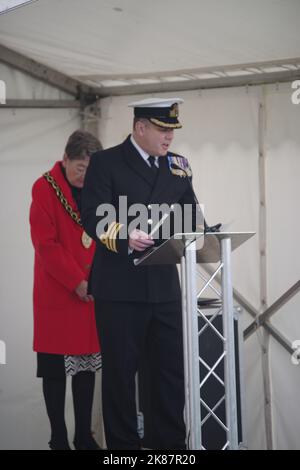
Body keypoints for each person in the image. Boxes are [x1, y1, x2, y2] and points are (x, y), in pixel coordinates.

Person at [81, 98, 198, 450]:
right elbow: (91, 214)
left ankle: (170, 449)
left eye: (172, 132)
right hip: (120, 289)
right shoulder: (106, 162)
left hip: (163, 287)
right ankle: (124, 452)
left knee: (168, 375)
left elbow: (191, 215)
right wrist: (123, 235)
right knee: (120, 377)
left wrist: (204, 232)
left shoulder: (178, 166)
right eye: (163, 130)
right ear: (140, 127)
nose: (169, 139)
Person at [29, 130, 103, 450]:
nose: (85, 176)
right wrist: (77, 281)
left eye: (91, 169)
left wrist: (98, 280)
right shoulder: (44, 188)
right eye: (80, 168)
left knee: (85, 368)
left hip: (91, 292)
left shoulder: (99, 188)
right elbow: (45, 244)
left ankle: (83, 435)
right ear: (65, 160)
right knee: (55, 370)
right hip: (57, 291)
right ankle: (58, 437)